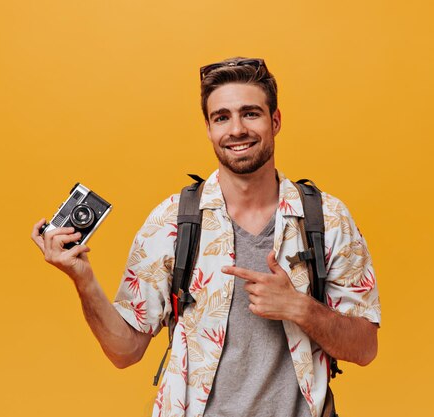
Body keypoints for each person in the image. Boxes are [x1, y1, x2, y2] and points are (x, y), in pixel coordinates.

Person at [31, 57, 381, 417]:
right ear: (209, 128)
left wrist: (299, 307)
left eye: (251, 113)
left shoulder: (327, 219)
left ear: (275, 121)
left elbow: (365, 348)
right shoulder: (172, 221)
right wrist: (83, 278)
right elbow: (126, 351)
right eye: (222, 117)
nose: (237, 129)